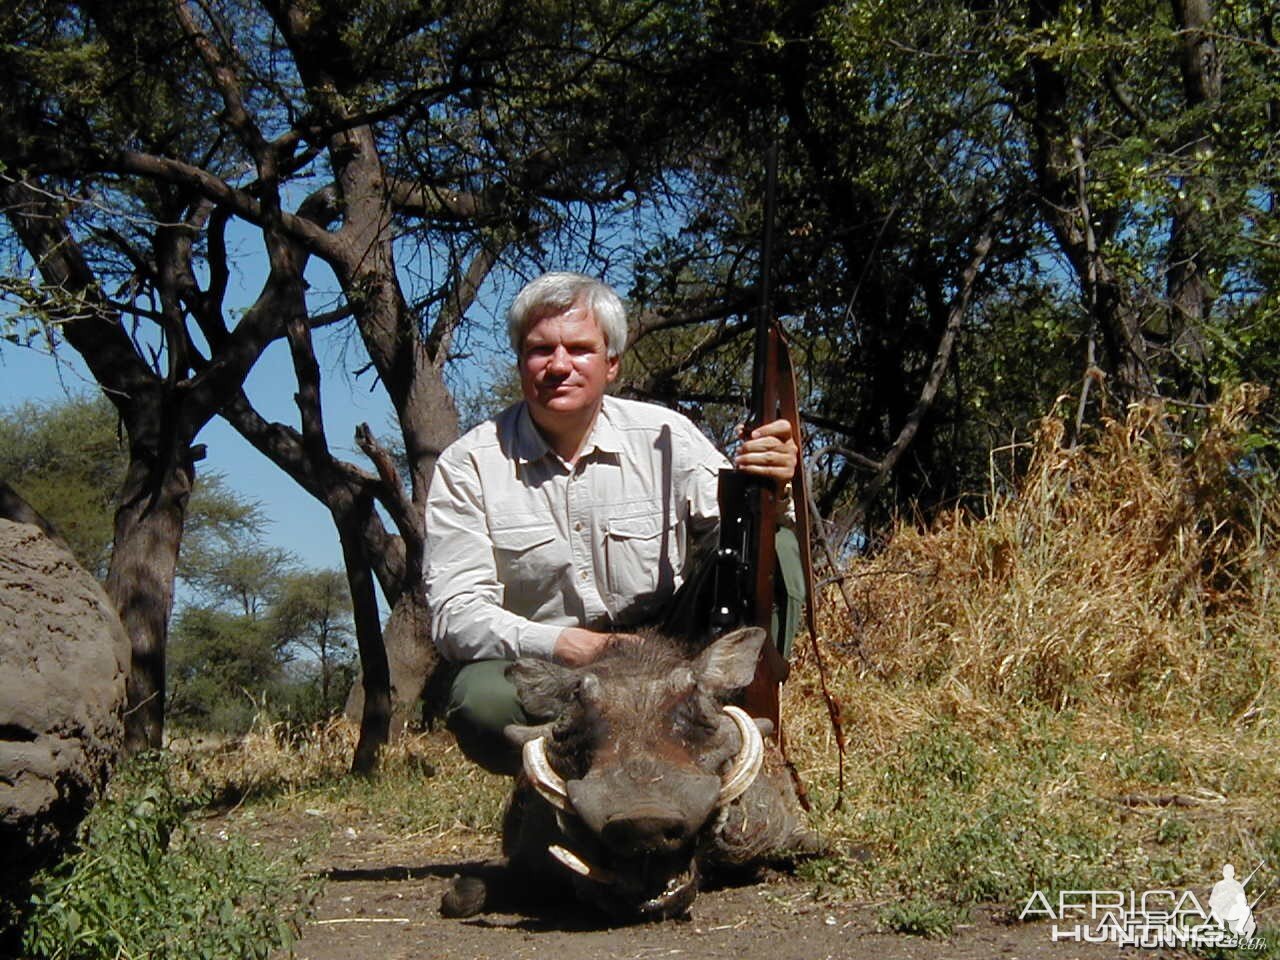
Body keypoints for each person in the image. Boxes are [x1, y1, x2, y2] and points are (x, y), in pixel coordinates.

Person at [425, 271, 802, 773]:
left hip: (667, 655)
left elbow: (745, 535)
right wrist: (569, 645)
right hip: (558, 669)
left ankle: (739, 758)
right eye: (541, 350)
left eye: (580, 349)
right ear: (520, 362)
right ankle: (564, 791)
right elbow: (456, 613)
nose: (559, 366)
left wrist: (775, 487)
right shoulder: (467, 463)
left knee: (776, 547)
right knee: (481, 701)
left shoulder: (668, 436)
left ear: (612, 364)